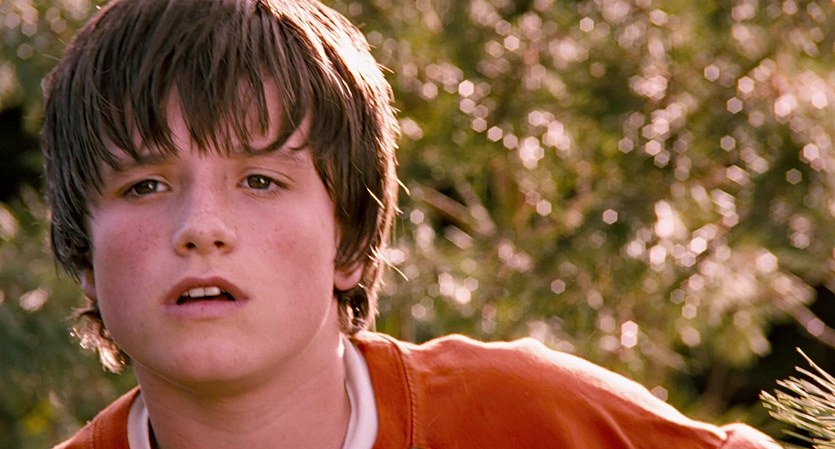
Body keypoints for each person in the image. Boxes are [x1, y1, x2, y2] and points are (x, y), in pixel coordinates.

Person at [43, 1, 779, 448]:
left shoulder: (535, 421)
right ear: (83, 253)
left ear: (352, 242)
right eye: (144, 185)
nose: (202, 227)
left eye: (261, 180)